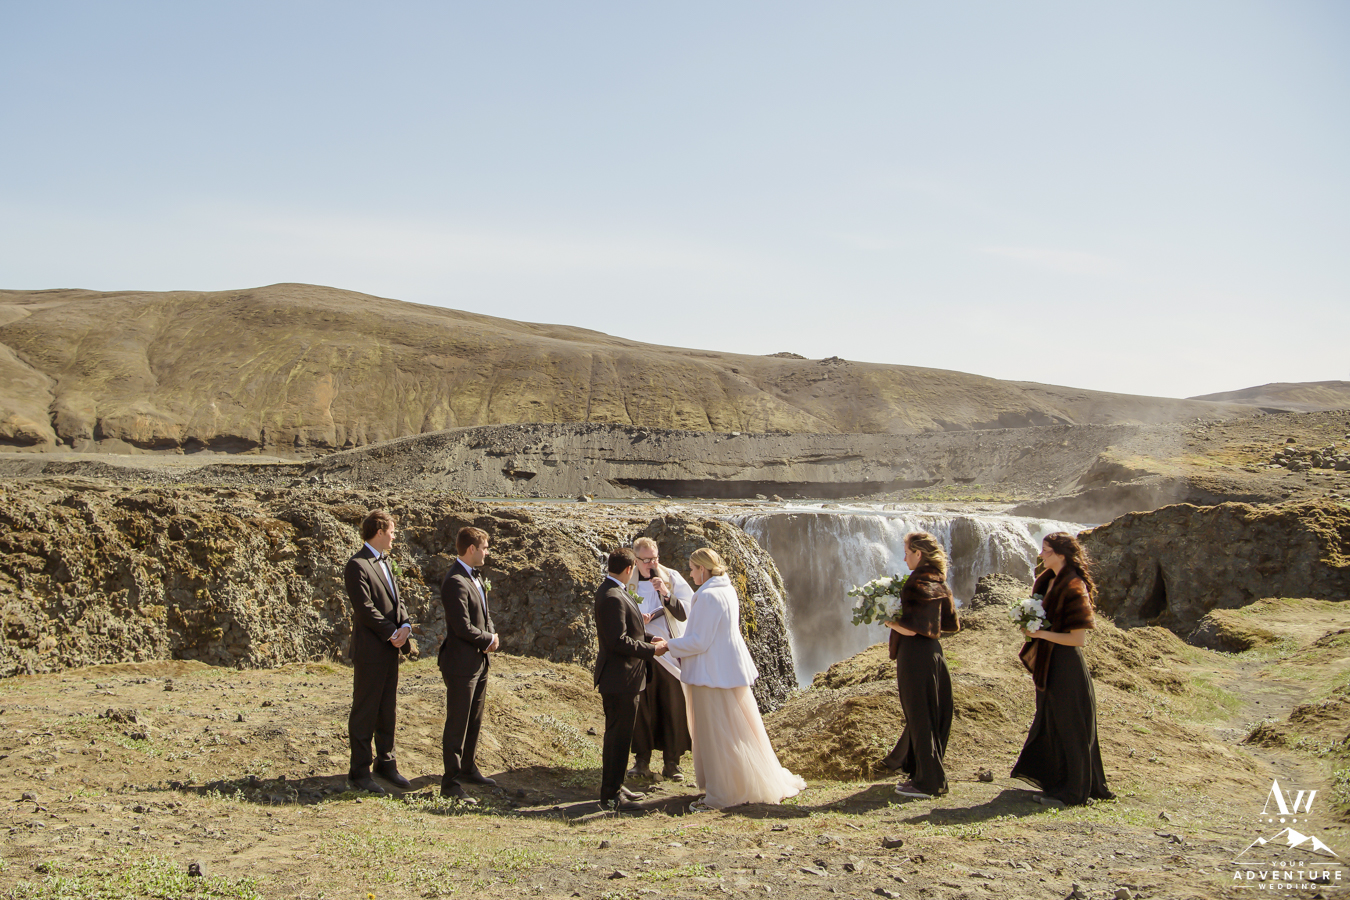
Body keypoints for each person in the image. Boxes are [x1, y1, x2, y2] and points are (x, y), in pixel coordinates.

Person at [663, 547, 805, 811]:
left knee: (716, 736)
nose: (690, 574)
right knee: (738, 732)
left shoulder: (708, 596)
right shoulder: (726, 589)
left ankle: (722, 794)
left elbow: (700, 641)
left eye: (692, 569)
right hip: (728, 668)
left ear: (702, 569)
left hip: (710, 673)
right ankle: (743, 783)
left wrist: (668, 645)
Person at [1011, 531, 1114, 806]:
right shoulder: (1048, 580)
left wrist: (1041, 634)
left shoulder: (1074, 586)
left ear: (1060, 554)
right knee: (1053, 721)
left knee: (1071, 727)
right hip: (1050, 662)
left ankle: (1074, 792)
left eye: (1045, 550)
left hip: (1066, 665)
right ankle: (1057, 782)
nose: (1041, 555)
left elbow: (1078, 639)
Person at [882, 531, 960, 798]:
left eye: (906, 553)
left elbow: (913, 628)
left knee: (919, 715)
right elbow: (951, 623)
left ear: (918, 553)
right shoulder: (938, 578)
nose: (904, 559)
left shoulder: (918, 581)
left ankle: (928, 783)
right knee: (927, 713)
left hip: (915, 654)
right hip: (933, 653)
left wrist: (889, 620)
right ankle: (922, 774)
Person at [593, 547, 668, 811]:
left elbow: (629, 630)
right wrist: (652, 651)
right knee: (617, 738)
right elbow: (618, 641)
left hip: (624, 678)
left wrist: (649, 638)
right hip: (619, 679)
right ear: (629, 569)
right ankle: (610, 796)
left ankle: (616, 785)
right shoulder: (612, 596)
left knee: (622, 737)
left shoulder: (615, 591)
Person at [344, 510, 414, 795]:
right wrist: (391, 632)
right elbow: (364, 608)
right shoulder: (357, 565)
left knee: (387, 709)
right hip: (371, 650)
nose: (394, 537)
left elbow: (397, 601)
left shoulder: (385, 561)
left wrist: (405, 625)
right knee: (365, 710)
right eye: (392, 532)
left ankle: (386, 763)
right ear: (380, 531)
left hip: (389, 649)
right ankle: (359, 772)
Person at [438, 526, 500, 801]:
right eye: (484, 548)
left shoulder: (475, 576)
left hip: (479, 660)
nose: (487, 552)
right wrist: (488, 639)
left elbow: (484, 615)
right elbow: (461, 626)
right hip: (460, 663)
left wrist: (491, 635)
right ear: (471, 549)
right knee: (458, 722)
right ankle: (450, 783)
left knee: (474, 718)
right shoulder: (455, 581)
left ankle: (468, 768)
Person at [626, 537, 693, 781]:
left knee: (672, 705)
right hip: (640, 651)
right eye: (646, 560)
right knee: (641, 707)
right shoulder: (628, 581)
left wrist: (665, 594)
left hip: (668, 652)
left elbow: (687, 612)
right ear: (635, 560)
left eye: (654, 559)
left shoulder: (671, 577)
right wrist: (637, 618)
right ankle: (642, 760)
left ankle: (672, 762)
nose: (651, 564)